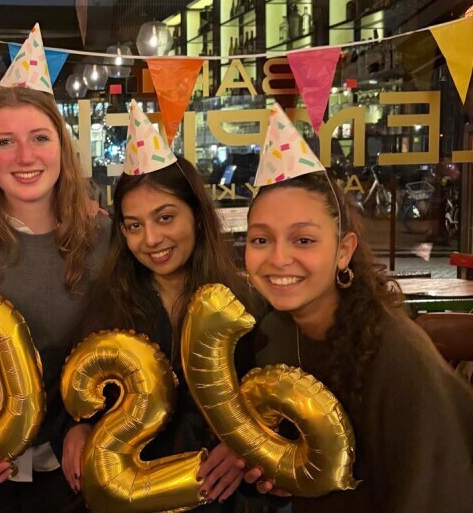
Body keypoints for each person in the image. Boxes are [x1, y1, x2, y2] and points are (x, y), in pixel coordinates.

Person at [0, 24, 109, 513]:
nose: (25, 156)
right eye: (6, 142)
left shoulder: (105, 240)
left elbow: (123, 345)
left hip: (75, 466)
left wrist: (94, 426)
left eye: (40, 138)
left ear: (62, 149)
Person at [61, 101, 276, 511]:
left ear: (196, 215)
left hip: (221, 501)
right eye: (134, 225)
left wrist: (244, 446)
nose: (151, 239)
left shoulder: (245, 305)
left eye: (165, 218)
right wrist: (76, 428)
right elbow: (78, 395)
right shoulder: (107, 304)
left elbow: (269, 400)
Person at [245, 171, 473, 511]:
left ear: (344, 251)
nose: (278, 259)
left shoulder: (397, 358)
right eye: (261, 240)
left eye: (303, 240)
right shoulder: (273, 333)